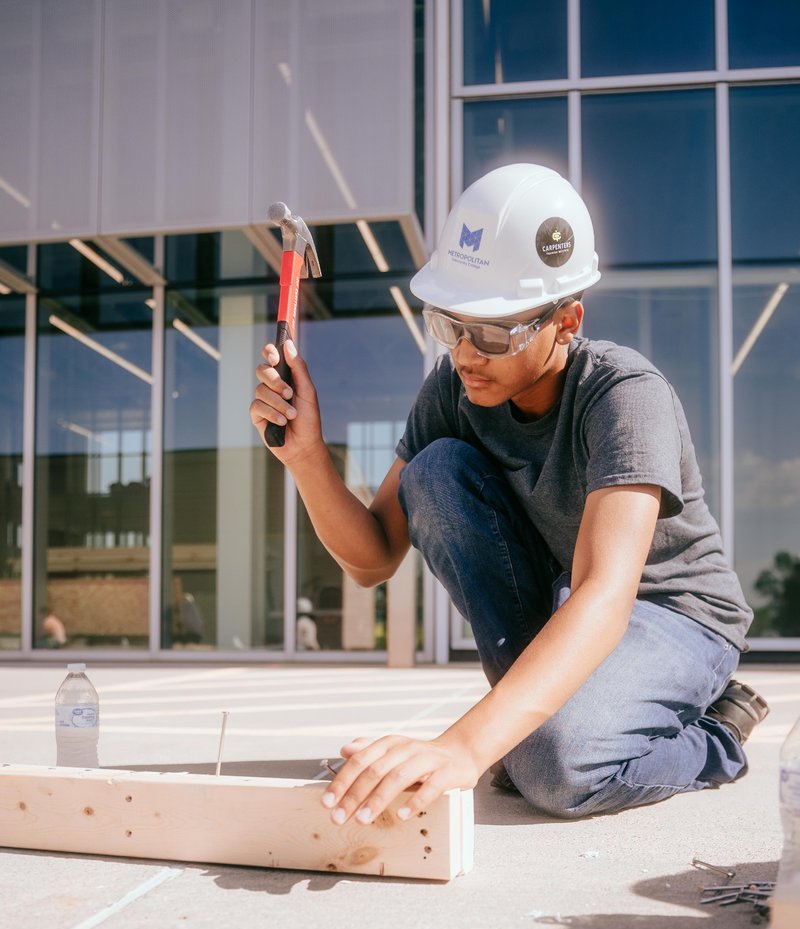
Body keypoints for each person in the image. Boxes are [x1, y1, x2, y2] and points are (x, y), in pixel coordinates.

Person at [250, 162, 768, 829]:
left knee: (555, 770)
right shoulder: (455, 390)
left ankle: (715, 738)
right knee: (431, 473)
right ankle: (532, 731)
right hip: (571, 604)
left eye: (493, 332)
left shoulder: (625, 396)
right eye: (450, 324)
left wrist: (465, 746)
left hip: (675, 614)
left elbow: (605, 596)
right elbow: (371, 559)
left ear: (567, 320)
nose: (467, 353)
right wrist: (306, 456)